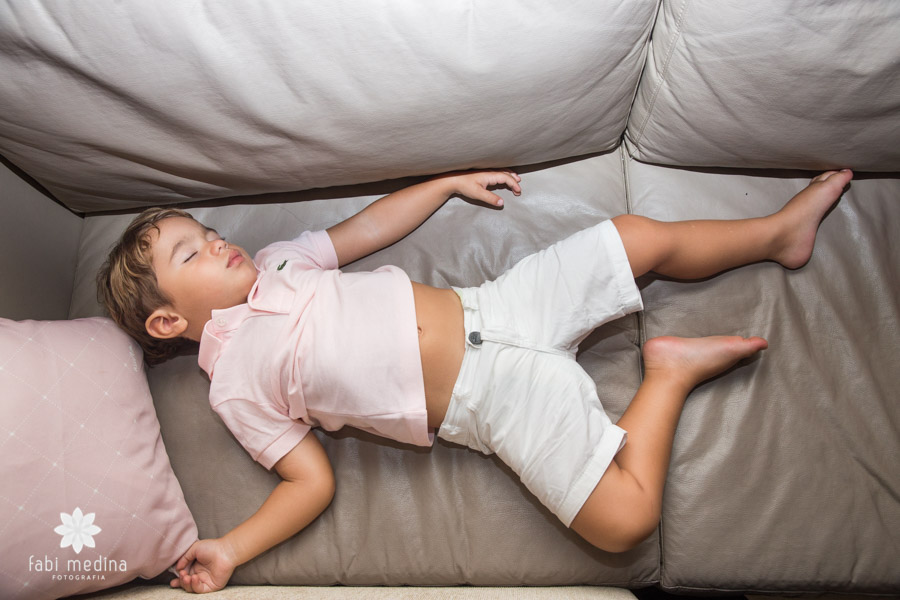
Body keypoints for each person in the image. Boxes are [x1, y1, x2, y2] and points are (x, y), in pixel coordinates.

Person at [97, 168, 853, 593]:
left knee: (635, 237)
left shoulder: (283, 261)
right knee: (624, 523)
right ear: (167, 323)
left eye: (206, 232)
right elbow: (309, 483)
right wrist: (230, 548)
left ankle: (775, 232)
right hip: (486, 401)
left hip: (497, 304)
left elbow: (364, 229)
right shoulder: (235, 386)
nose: (218, 244)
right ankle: (669, 375)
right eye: (190, 255)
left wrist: (443, 185)